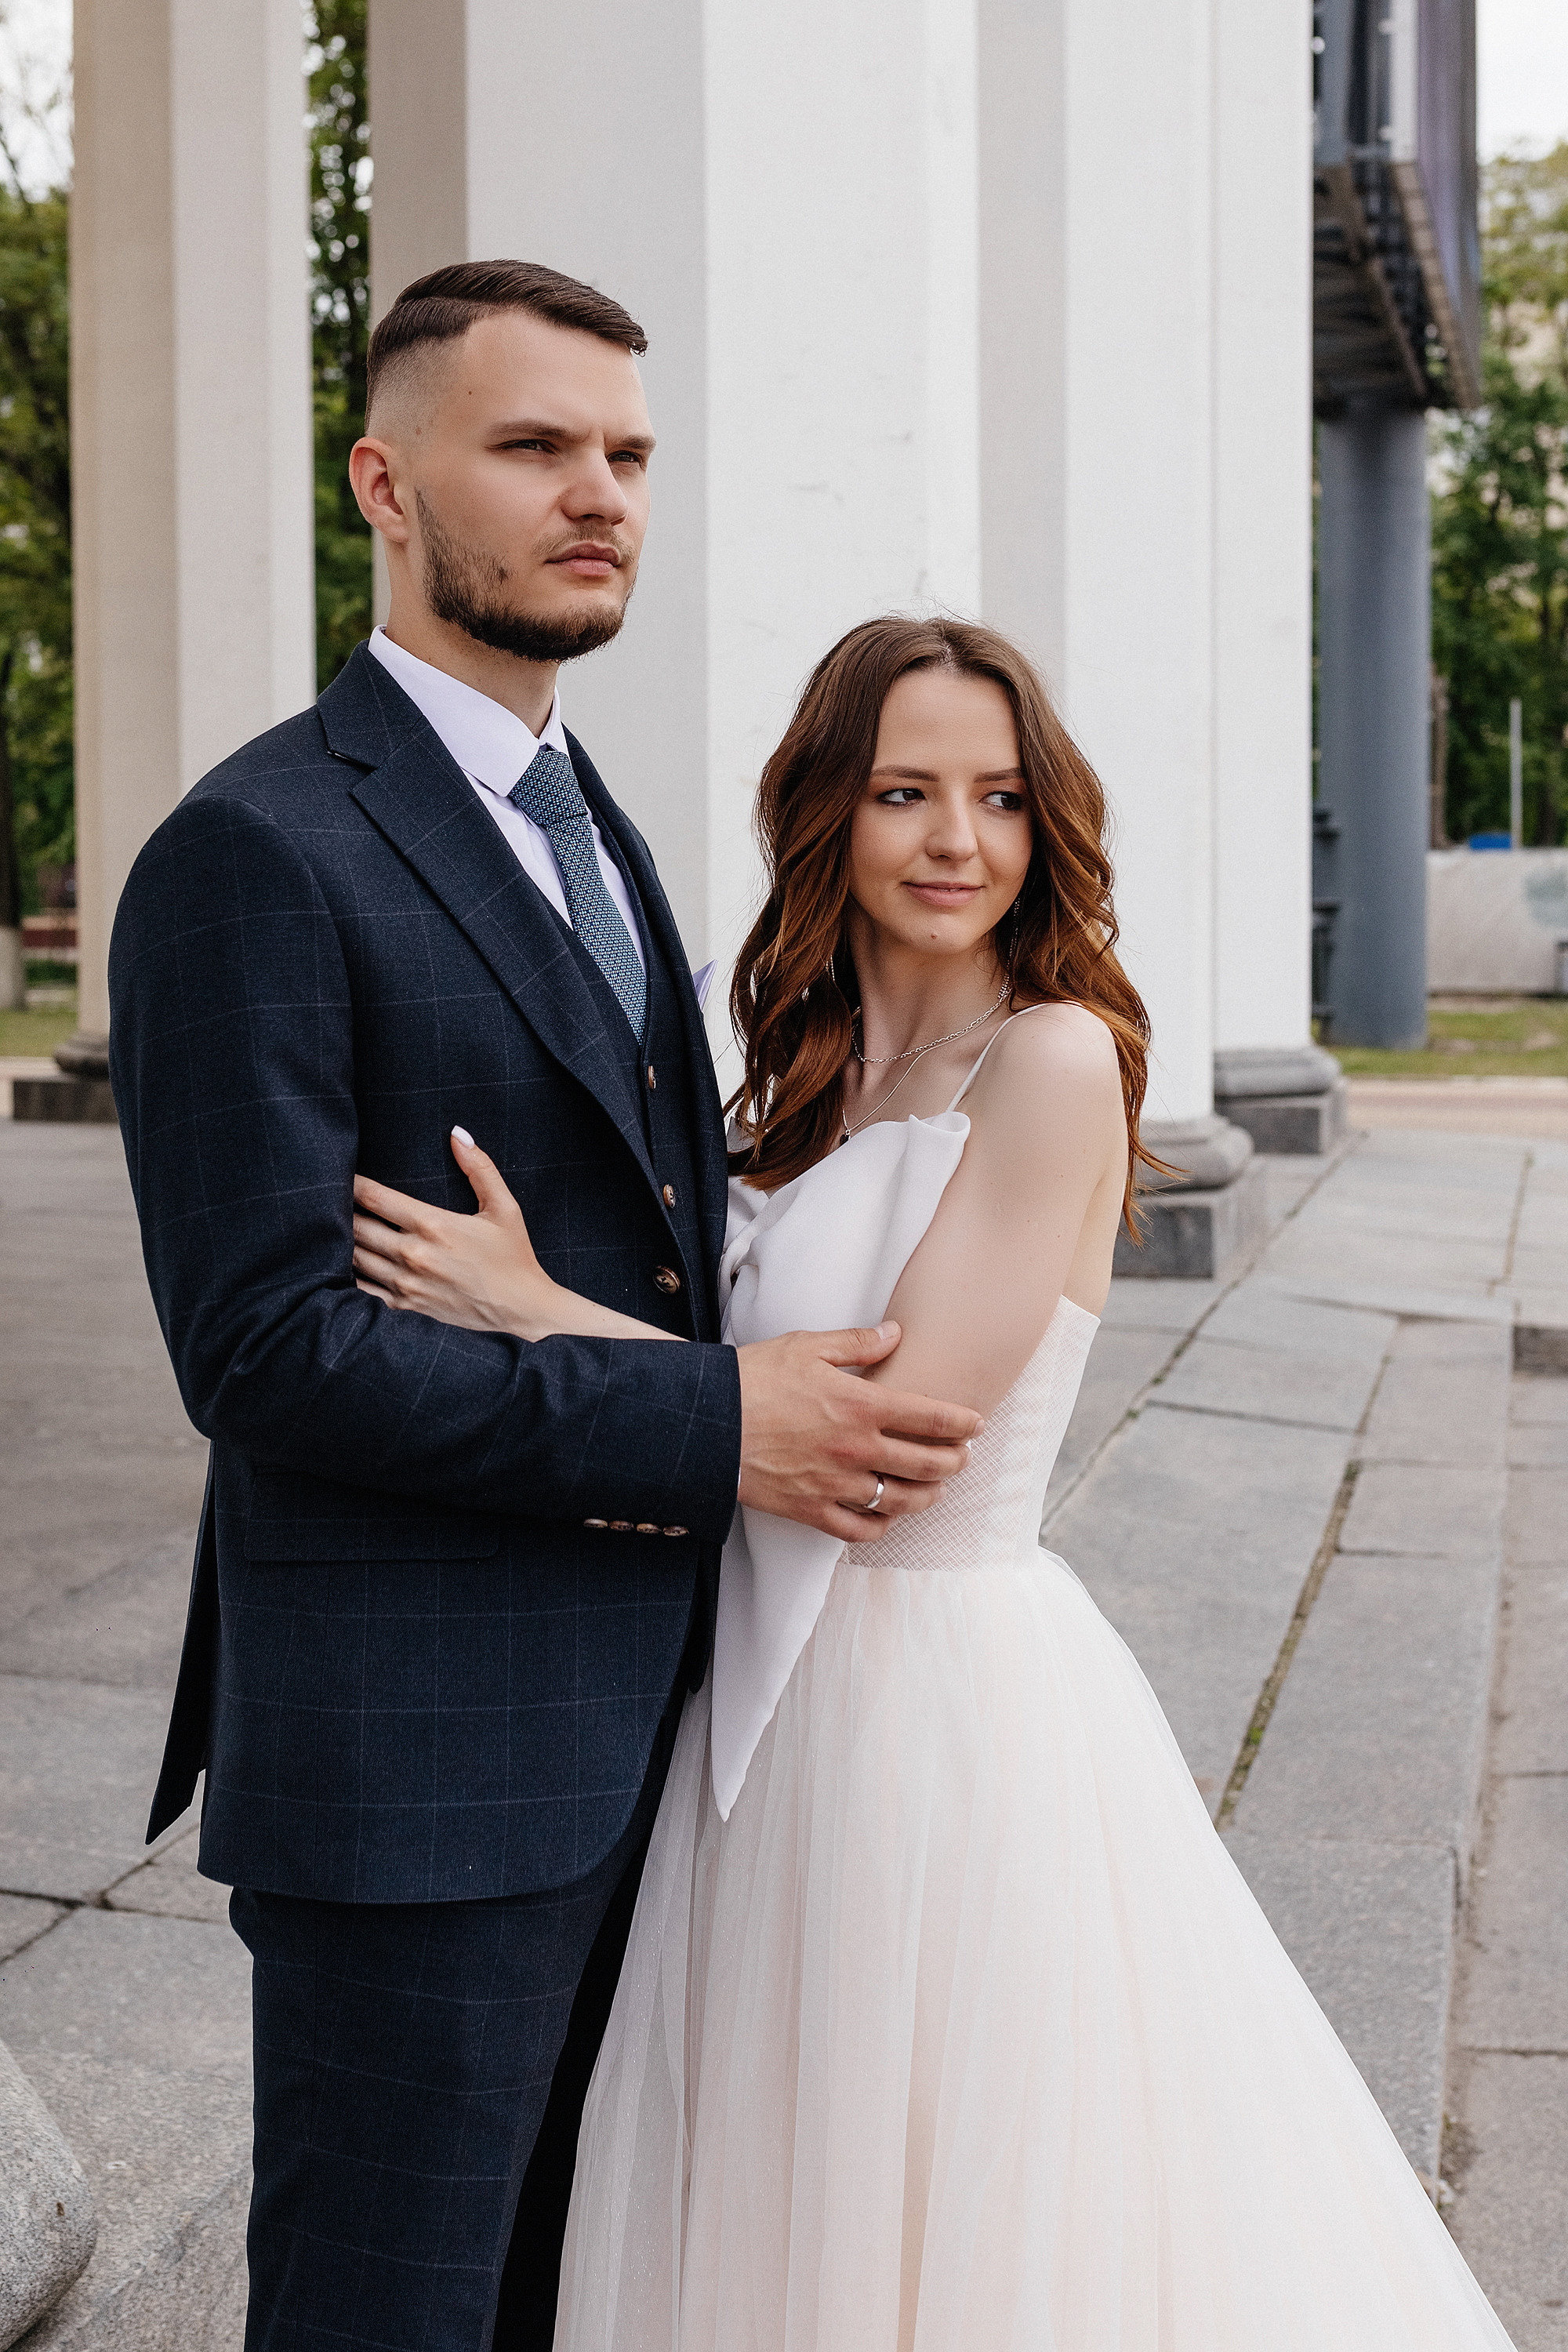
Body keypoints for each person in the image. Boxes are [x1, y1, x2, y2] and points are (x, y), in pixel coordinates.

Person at [357, 615, 1519, 2350]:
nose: (956, 840)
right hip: (745, 1715)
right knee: (761, 2174)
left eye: (997, 799)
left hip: (937, 1719)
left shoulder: (1049, 1061)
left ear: (1045, 829)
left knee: (954, 2193)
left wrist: (534, 1311)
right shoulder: (783, 1072)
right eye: (905, 791)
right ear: (829, 807)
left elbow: (880, 1454)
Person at [107, 265, 983, 2352]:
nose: (598, 495)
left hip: (651, 1736)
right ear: (385, 483)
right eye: (535, 448)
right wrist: (718, 1422)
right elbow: (267, 1352)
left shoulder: (593, 822)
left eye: (626, 454)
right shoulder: (255, 851)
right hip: (423, 1769)